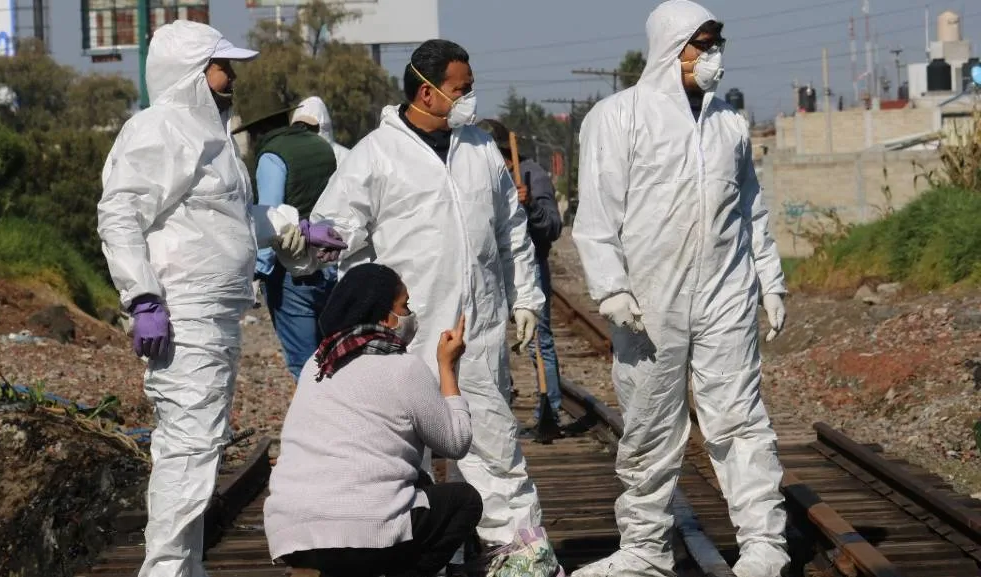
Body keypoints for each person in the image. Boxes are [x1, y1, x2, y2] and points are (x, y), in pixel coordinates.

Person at [96, 20, 342, 577]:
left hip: (216, 314)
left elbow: (229, 218)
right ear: (192, 72)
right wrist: (142, 297)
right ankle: (166, 570)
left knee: (199, 446)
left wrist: (295, 227)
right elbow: (120, 214)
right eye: (222, 66)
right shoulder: (158, 130)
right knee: (189, 448)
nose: (231, 77)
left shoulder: (212, 138)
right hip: (185, 313)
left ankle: (184, 568)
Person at [569, 2, 789, 576]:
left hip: (725, 290)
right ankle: (646, 548)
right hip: (649, 300)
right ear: (672, 46)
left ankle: (765, 546)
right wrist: (611, 288)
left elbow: (750, 210)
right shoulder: (618, 117)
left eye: (717, 44)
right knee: (650, 421)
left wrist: (770, 279)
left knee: (739, 418)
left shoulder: (729, 123)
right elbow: (596, 215)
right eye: (703, 44)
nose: (713, 55)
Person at [309, 39, 546, 557]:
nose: (470, 99)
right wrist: (318, 239)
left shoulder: (480, 148)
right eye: (462, 89)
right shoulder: (376, 154)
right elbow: (333, 231)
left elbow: (510, 231)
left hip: (474, 332)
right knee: (402, 457)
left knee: (493, 447)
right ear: (427, 92)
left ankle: (518, 557)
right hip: (406, 336)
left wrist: (526, 296)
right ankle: (424, 559)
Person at [264, 263, 482, 577]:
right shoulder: (403, 368)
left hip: (290, 533)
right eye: (404, 306)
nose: (410, 315)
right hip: (363, 533)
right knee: (464, 501)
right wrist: (447, 366)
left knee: (418, 483)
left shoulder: (319, 362)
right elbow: (456, 442)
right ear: (384, 317)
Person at [476, 119, 566, 431]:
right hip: (489, 266)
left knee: (538, 339)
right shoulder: (478, 175)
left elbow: (552, 226)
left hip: (529, 264)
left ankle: (550, 410)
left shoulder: (531, 175)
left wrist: (528, 205)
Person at [241, 105, 340, 382]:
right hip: (330, 261)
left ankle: (315, 409)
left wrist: (259, 271)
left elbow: (271, 216)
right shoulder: (323, 147)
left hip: (292, 271)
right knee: (333, 355)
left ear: (258, 134)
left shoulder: (271, 156)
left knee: (305, 365)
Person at [292, 95, 351, 165]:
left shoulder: (347, 159)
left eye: (310, 127)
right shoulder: (291, 161)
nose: (304, 133)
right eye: (299, 127)